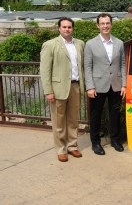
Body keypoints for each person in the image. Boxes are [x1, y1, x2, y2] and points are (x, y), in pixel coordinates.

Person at [40, 17, 85, 162]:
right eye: (64, 27)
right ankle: (61, 149)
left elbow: (82, 66)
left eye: (70, 27)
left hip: (75, 86)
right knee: (59, 121)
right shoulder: (50, 45)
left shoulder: (80, 44)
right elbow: (45, 70)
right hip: (58, 88)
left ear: (73, 28)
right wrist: (48, 91)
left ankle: (72, 146)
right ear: (59, 28)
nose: (67, 29)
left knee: (73, 119)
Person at [84, 13, 126, 155]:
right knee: (96, 116)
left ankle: (115, 140)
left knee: (115, 114)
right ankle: (95, 143)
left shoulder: (119, 43)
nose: (105, 26)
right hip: (97, 86)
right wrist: (89, 86)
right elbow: (87, 67)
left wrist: (124, 85)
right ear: (97, 25)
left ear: (111, 24)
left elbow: (122, 65)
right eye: (102, 23)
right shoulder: (90, 44)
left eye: (107, 23)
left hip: (116, 84)